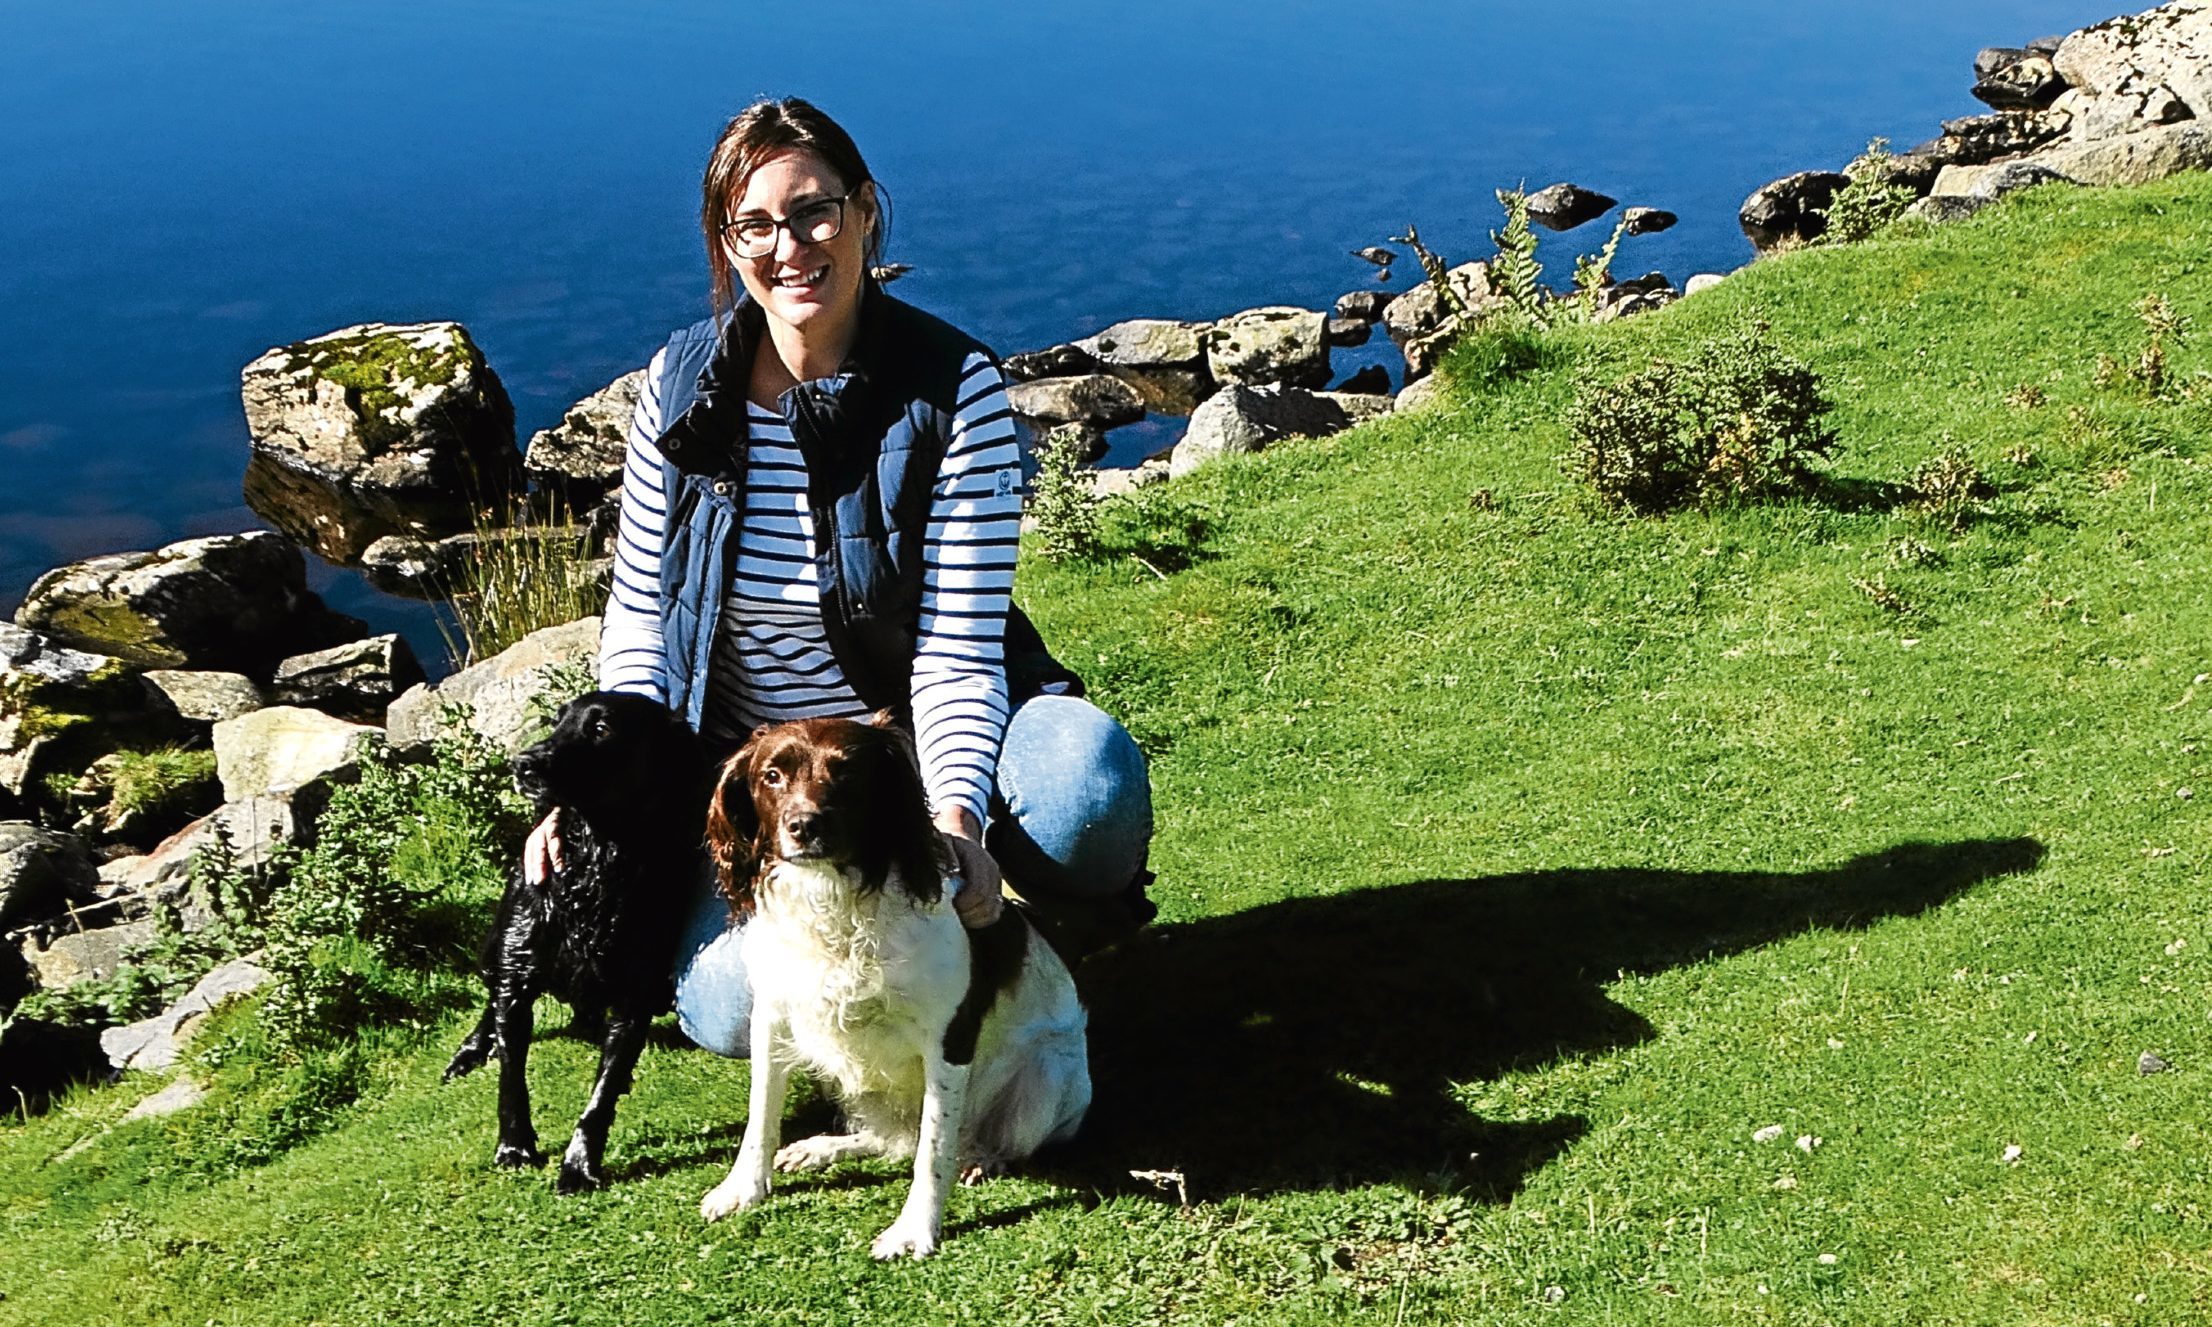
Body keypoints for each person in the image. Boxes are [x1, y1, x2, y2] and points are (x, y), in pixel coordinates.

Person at [524, 96, 1155, 1057]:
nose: (793, 247)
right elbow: (642, 617)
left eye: (817, 210)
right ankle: (895, 977)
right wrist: (595, 788)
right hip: (753, 766)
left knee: (1085, 791)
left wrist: (955, 826)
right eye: (758, 225)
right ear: (728, 243)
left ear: (865, 211)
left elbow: (954, 648)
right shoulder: (676, 387)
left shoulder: (956, 388)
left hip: (897, 744)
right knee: (728, 1010)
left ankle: (1041, 930)